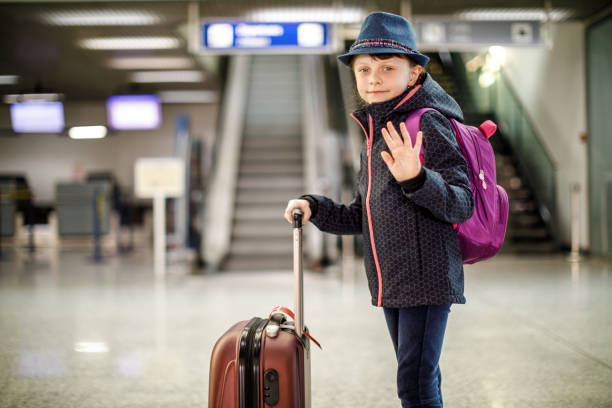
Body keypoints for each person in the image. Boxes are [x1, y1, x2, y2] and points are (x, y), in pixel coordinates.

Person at [284, 11, 474, 408]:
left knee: (414, 384)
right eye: (364, 68)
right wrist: (313, 206)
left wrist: (417, 177)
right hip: (392, 280)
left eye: (388, 68)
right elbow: (361, 214)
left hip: (426, 279)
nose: (373, 78)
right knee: (421, 377)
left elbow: (461, 202)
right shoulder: (375, 133)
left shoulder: (428, 123)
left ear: (414, 75)